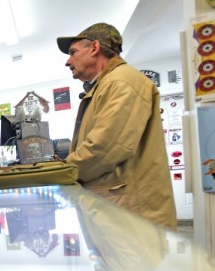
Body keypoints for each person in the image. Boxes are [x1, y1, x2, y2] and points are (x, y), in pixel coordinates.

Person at [56, 23, 177, 229]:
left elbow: (104, 149)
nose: (68, 61)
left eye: (73, 52)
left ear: (94, 48)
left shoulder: (121, 82)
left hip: (131, 214)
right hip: (118, 208)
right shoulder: (107, 84)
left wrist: (61, 172)